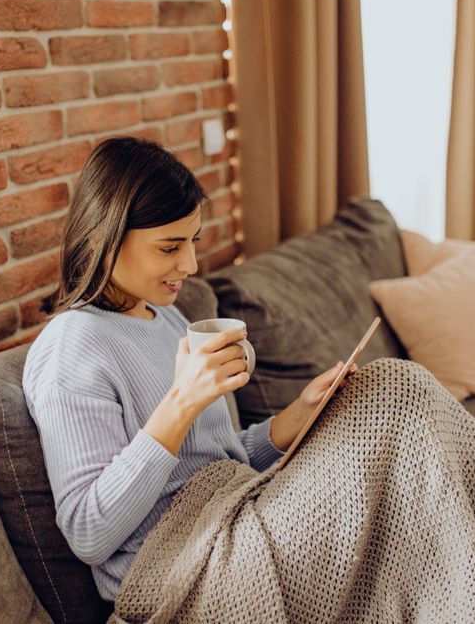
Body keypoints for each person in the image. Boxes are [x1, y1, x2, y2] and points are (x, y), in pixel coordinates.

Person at [22, 136, 357, 603]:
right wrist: (182, 401)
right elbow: (87, 532)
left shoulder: (169, 319)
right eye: (169, 247)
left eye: (192, 242)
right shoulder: (72, 347)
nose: (190, 264)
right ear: (107, 238)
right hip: (180, 570)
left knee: (388, 394)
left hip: (241, 514)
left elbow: (212, 460)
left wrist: (298, 415)